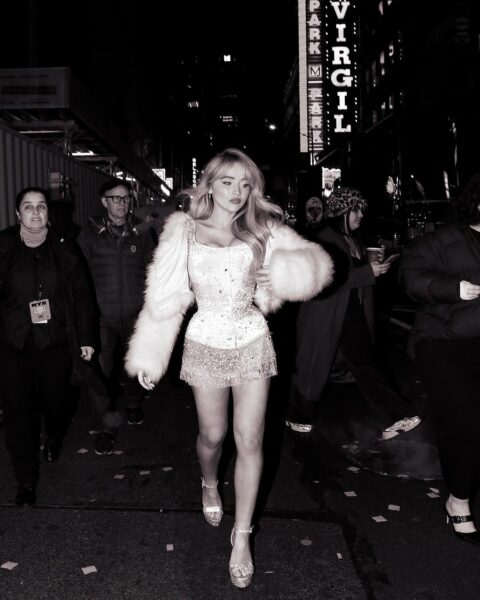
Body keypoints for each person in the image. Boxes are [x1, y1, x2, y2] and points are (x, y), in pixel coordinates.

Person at [125, 148, 333, 588]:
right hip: (205, 340)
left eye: (245, 184)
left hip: (251, 338)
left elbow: (315, 267)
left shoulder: (263, 228)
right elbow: (164, 296)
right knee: (213, 436)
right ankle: (208, 481)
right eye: (227, 182)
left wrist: (282, 276)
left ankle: (242, 536)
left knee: (250, 438)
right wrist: (150, 354)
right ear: (210, 184)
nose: (237, 192)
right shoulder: (183, 230)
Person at [287, 186, 421, 440]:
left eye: (361, 210)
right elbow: (329, 278)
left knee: (361, 364)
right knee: (315, 365)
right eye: (355, 210)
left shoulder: (351, 239)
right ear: (342, 212)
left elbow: (352, 272)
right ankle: (299, 416)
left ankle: (398, 415)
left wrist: (374, 266)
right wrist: (369, 272)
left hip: (348, 312)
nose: (361, 215)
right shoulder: (325, 238)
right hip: (327, 314)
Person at [0, 187, 95, 506]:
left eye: (41, 206)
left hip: (54, 340)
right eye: (28, 207)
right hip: (13, 342)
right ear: (18, 214)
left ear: (48, 213)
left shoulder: (64, 248)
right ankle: (26, 480)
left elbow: (82, 295)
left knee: (54, 402)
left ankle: (54, 434)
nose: (35, 212)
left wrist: (86, 339)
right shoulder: (4, 247)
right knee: (17, 411)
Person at [400, 173, 480, 545]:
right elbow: (409, 275)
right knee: (465, 424)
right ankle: (458, 500)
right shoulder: (447, 239)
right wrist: (453, 288)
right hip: (442, 344)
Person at [77, 178, 156, 455]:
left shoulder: (142, 232)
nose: (122, 203)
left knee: (136, 365)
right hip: (101, 318)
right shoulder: (89, 235)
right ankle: (106, 427)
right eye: (116, 198)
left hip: (136, 315)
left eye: (126, 198)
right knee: (102, 373)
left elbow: (153, 270)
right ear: (104, 201)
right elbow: (79, 276)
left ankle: (133, 403)